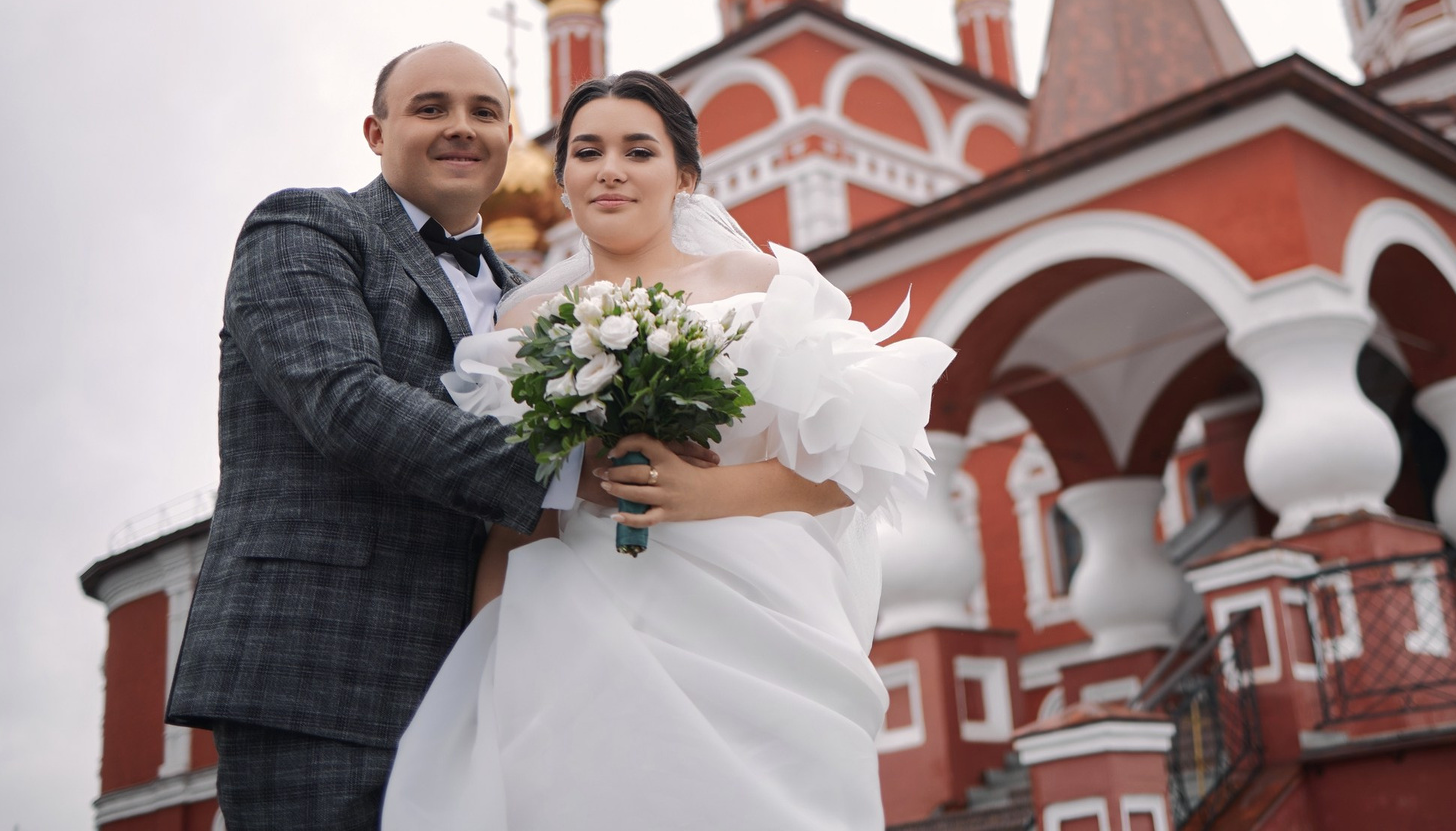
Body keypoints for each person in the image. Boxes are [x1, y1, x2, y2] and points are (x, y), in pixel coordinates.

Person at [381, 70, 952, 831]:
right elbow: (518, 505)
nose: (610, 168)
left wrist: (707, 493)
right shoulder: (521, 320)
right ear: (563, 179)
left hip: (757, 615)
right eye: (587, 151)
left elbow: (852, 468)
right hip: (574, 622)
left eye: (638, 150)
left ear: (683, 177)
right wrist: (486, 650)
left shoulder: (757, 285)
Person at [167, 42, 612, 828]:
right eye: (430, 108)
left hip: (492, 676)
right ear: (375, 133)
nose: (460, 129)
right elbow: (346, 404)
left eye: (484, 112)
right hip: (322, 667)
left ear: (510, 138)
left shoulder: (533, 301)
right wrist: (575, 471)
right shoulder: (305, 225)